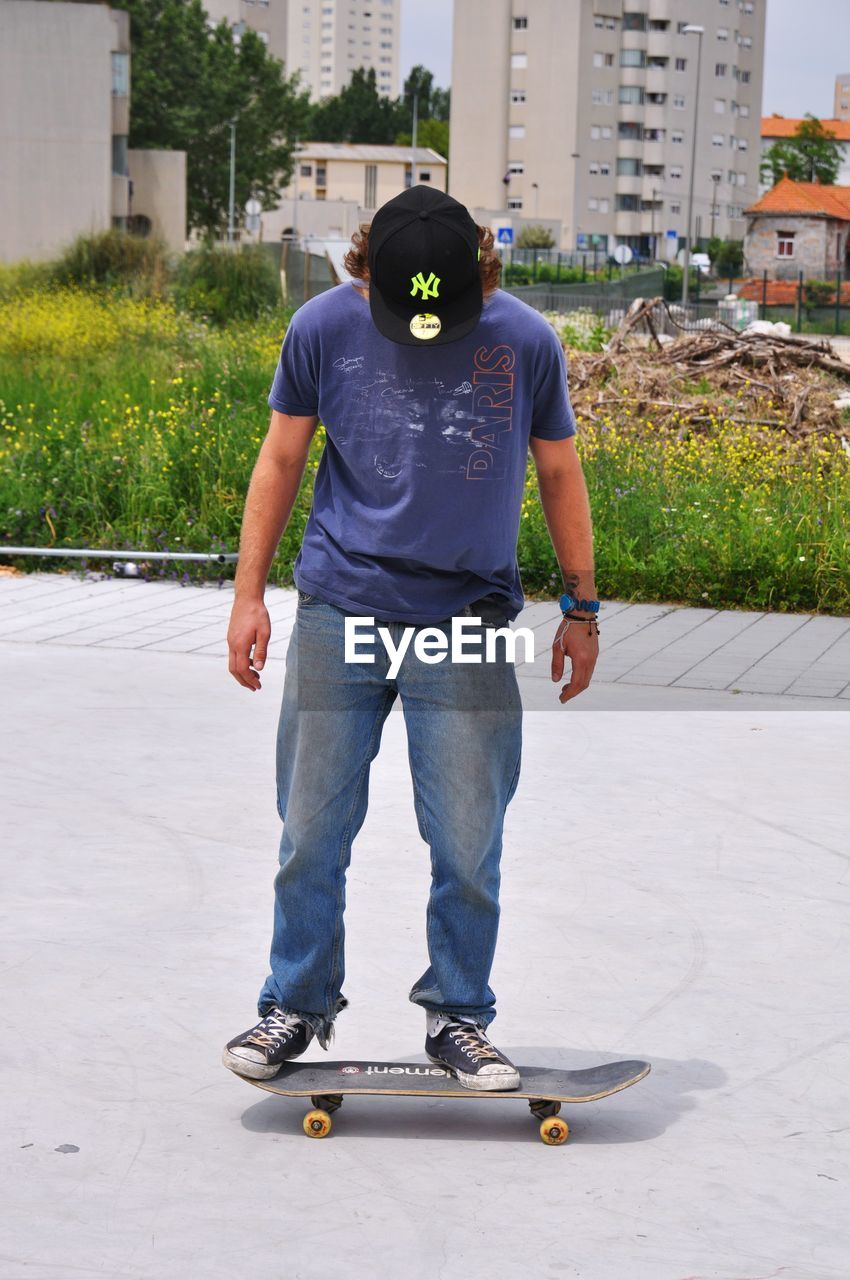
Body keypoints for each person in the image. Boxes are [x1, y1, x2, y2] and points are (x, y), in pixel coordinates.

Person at [221, 185, 599, 1091]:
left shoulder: (525, 341)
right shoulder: (321, 329)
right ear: (367, 270)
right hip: (340, 607)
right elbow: (280, 458)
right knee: (310, 831)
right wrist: (247, 597)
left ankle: (459, 1015)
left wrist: (582, 610)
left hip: (468, 620)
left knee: (469, 840)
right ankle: (295, 1003)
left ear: (479, 272)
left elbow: (559, 470)